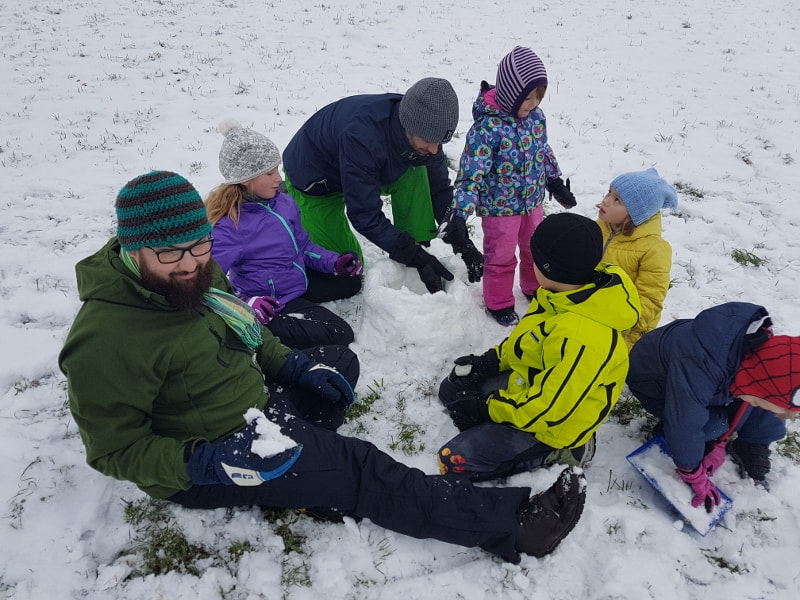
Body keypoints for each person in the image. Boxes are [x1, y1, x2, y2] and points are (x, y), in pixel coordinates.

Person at [59, 170, 588, 564]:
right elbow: (113, 450)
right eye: (172, 255)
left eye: (200, 246)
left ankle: (306, 483)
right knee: (359, 467)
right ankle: (511, 526)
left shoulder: (195, 271)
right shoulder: (106, 339)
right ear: (134, 251)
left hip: (248, 401)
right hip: (212, 453)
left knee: (338, 361)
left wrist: (291, 367)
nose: (193, 264)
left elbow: (243, 327)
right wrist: (205, 463)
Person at [436, 213, 641, 480]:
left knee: (454, 461)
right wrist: (489, 362)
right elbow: (529, 341)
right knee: (452, 391)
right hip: (535, 383)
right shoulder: (563, 293)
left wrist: (487, 407)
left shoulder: (583, 337)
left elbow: (548, 409)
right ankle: (499, 418)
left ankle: (565, 451)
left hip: (553, 425)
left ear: (548, 268)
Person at [282, 77, 484, 295]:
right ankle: (288, 205)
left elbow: (439, 187)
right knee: (346, 270)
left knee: (419, 169)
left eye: (440, 143)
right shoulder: (362, 137)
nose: (436, 150)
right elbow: (364, 215)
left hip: (371, 169)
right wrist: (410, 254)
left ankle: (418, 242)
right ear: (410, 128)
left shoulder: (425, 132)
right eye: (429, 141)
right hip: (316, 182)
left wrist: (460, 240)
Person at [627, 302, 799, 512]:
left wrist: (721, 443)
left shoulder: (758, 357)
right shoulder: (702, 362)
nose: (754, 402)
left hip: (709, 383)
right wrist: (690, 470)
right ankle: (669, 433)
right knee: (710, 426)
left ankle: (753, 442)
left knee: (762, 406)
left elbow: (752, 399)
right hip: (656, 381)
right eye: (758, 400)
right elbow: (685, 422)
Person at [205, 120, 362, 349]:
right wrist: (247, 304)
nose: (279, 178)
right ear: (246, 180)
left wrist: (335, 263)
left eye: (277, 169)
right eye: (269, 173)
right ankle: (265, 331)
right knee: (340, 333)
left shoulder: (282, 202)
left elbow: (303, 246)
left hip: (295, 281)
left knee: (351, 282)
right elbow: (209, 282)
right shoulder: (229, 226)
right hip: (271, 303)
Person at [452, 47, 576, 327]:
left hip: (532, 201)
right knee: (501, 255)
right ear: (510, 94)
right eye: (528, 97)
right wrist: (460, 211)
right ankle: (498, 301)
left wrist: (554, 181)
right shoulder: (487, 129)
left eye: (538, 97)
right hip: (499, 208)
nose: (533, 104)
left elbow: (542, 151)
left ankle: (533, 286)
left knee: (535, 247)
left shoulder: (535, 118)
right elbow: (471, 172)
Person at [596, 168, 677, 348]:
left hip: (628, 331)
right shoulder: (601, 227)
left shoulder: (653, 250)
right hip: (596, 310)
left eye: (617, 200)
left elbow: (650, 300)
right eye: (609, 192)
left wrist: (621, 323)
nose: (606, 201)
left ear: (635, 214)